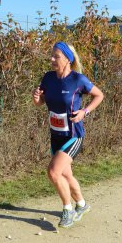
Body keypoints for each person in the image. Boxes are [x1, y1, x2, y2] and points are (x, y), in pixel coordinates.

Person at [32, 41, 104, 228]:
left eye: (56, 56)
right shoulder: (48, 78)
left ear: (67, 59)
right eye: (51, 55)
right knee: (65, 174)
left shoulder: (78, 80)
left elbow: (99, 95)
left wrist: (84, 112)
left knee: (53, 172)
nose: (51, 59)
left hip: (73, 135)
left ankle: (68, 209)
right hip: (56, 135)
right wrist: (37, 98)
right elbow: (41, 102)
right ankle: (82, 204)